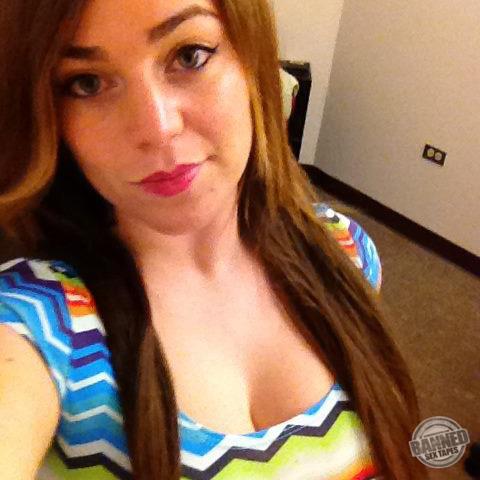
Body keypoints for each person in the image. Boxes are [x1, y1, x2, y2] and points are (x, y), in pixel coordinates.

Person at [0, 0, 427, 479]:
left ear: (252, 62)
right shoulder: (34, 325)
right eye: (87, 83)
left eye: (190, 56)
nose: (158, 128)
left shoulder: (345, 251)